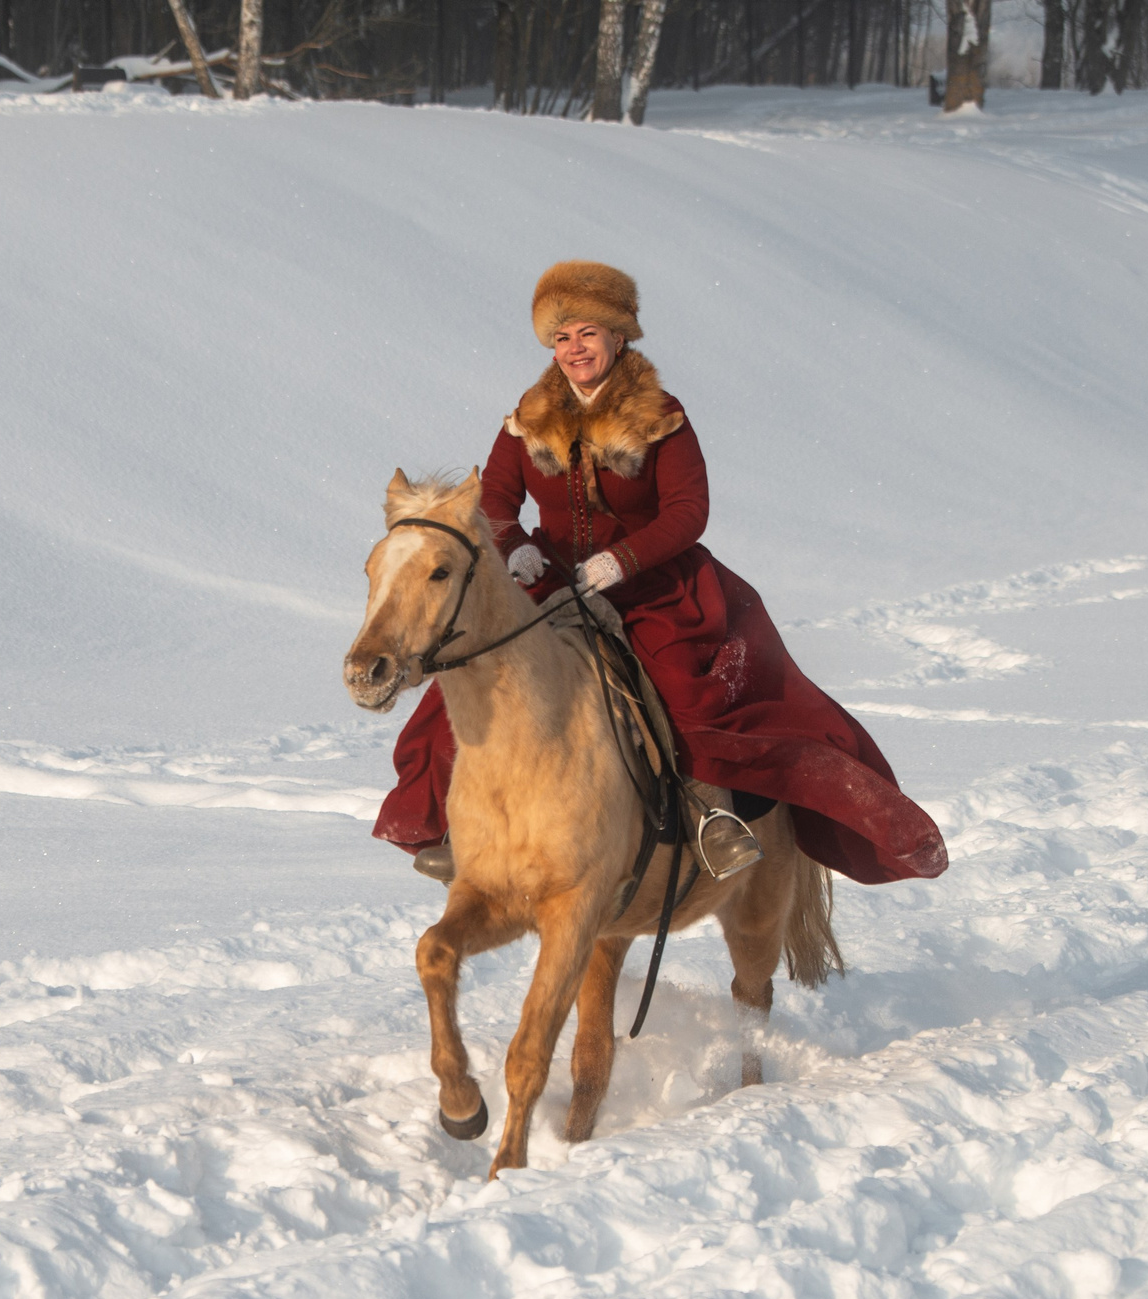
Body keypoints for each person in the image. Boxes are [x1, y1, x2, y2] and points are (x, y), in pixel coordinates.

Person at [374, 260, 947, 890]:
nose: (574, 349)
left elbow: (688, 511)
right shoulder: (527, 416)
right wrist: (511, 547)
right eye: (561, 337)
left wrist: (623, 559)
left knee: (688, 696)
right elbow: (496, 502)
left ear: (619, 337)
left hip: (655, 585)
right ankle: (451, 829)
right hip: (549, 580)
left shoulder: (660, 415)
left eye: (587, 333)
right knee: (469, 676)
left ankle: (712, 818)